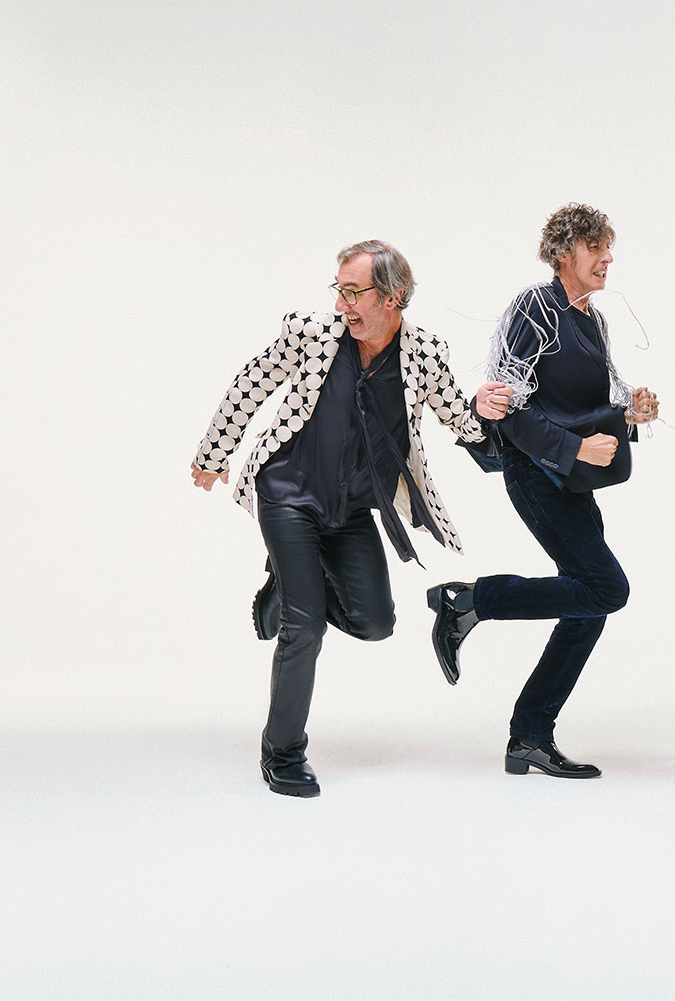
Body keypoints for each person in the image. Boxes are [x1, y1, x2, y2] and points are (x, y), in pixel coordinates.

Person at [189, 240, 512, 798]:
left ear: (393, 297)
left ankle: (288, 585)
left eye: (353, 292)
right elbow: (251, 384)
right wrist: (214, 454)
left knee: (376, 621)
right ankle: (282, 753)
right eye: (338, 290)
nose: (342, 304)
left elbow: (460, 419)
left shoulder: (423, 353)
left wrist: (483, 412)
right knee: (305, 627)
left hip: (352, 509)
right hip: (288, 494)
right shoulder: (312, 334)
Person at [425, 203, 659, 779]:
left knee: (589, 602)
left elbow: (580, 403)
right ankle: (470, 601)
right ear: (563, 252)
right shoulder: (536, 307)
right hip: (536, 472)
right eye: (595, 247)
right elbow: (509, 406)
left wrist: (630, 410)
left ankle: (529, 737)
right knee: (606, 588)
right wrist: (574, 449)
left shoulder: (591, 319)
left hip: (569, 478)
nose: (608, 257)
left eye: (608, 247)